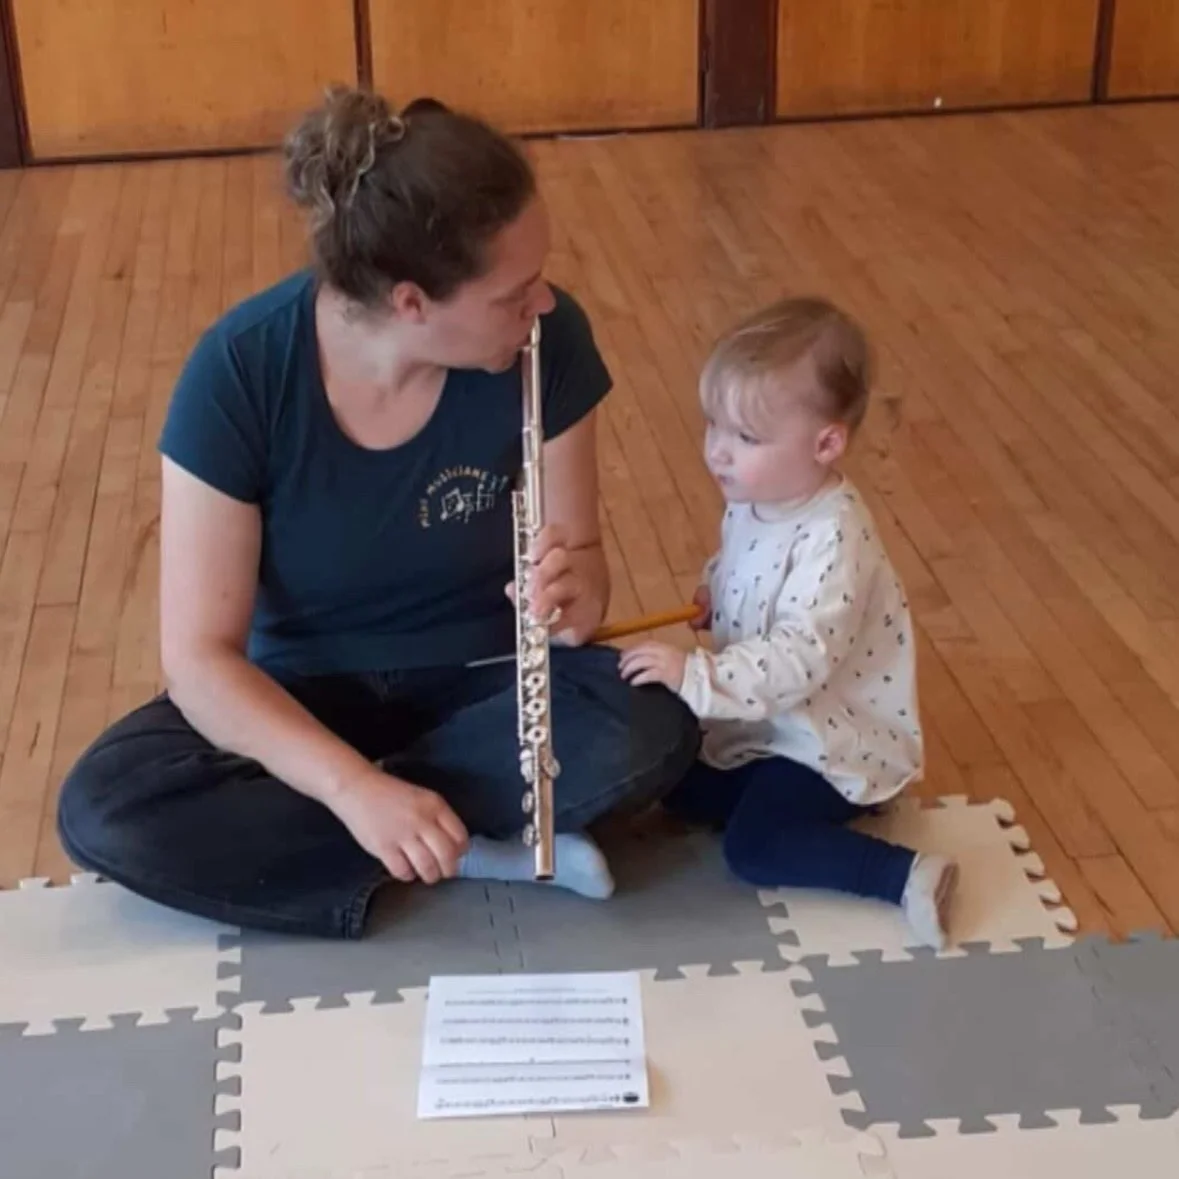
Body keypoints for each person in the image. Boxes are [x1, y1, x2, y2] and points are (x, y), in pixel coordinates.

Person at [55, 87, 699, 939]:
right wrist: (351, 787)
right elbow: (200, 661)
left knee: (651, 727)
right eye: (514, 292)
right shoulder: (238, 372)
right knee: (106, 806)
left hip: (479, 686)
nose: (541, 304)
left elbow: (580, 571)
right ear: (410, 303)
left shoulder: (550, 342)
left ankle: (393, 831)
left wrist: (575, 595)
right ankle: (449, 834)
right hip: (303, 696)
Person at [619, 296, 958, 949]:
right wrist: (715, 589)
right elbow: (744, 558)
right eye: (712, 425)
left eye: (744, 437)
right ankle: (805, 807)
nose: (717, 451)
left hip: (827, 742)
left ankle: (904, 873)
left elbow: (799, 657)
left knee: (755, 847)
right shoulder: (758, 494)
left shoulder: (835, 538)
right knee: (674, 778)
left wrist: (698, 673)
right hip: (763, 722)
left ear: (826, 442)